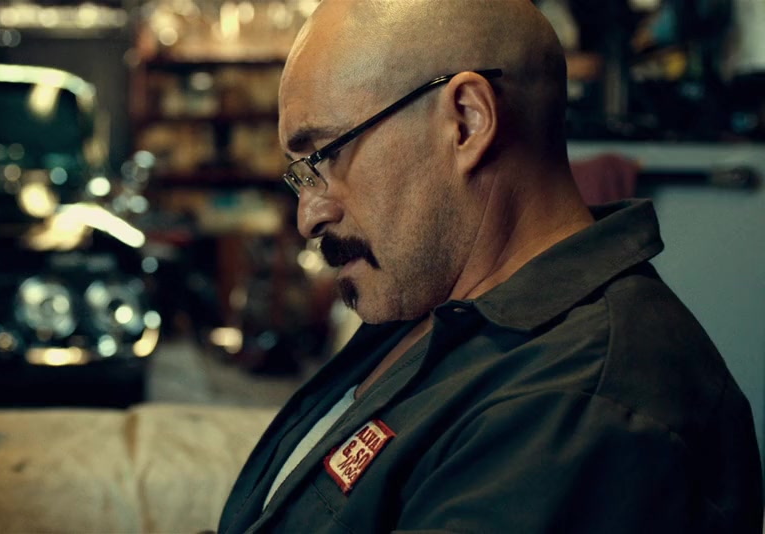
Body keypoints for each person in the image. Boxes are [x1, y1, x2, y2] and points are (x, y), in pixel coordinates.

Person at [217, 1, 763, 532]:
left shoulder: (574, 409)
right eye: (301, 174)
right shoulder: (434, 297)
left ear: (466, 121)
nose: (309, 216)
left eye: (326, 154)